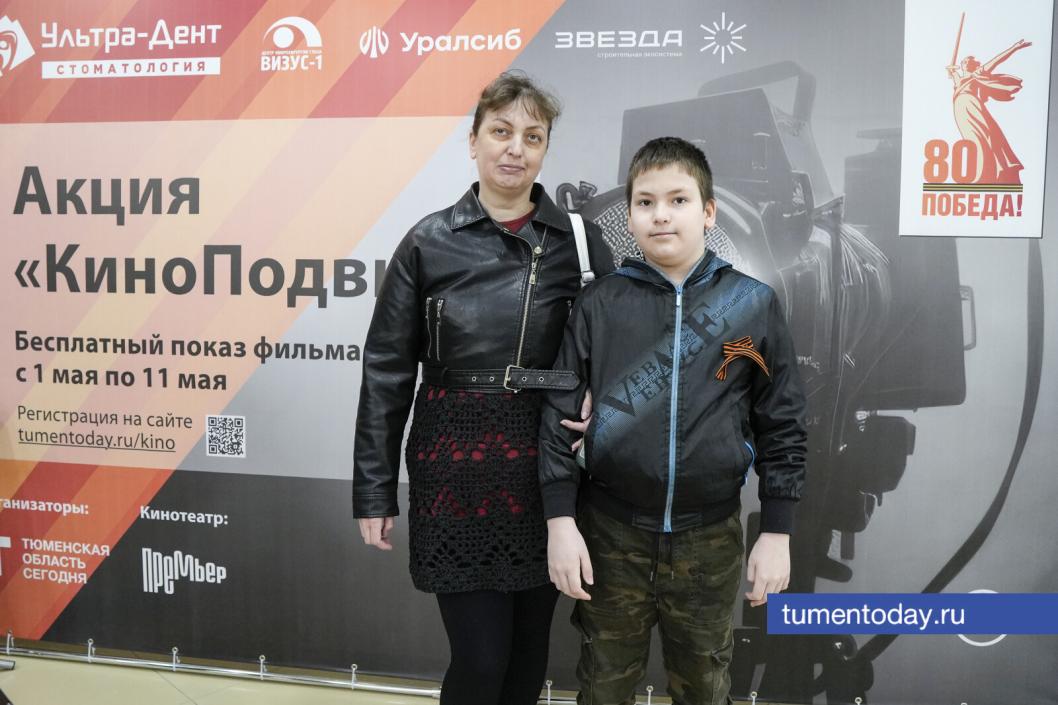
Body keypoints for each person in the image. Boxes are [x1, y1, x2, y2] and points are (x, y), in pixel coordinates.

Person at [352, 71, 614, 705]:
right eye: (500, 131)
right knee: (480, 661)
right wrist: (373, 489)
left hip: (548, 468)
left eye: (533, 136)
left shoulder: (579, 243)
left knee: (527, 660)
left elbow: (621, 346)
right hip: (456, 466)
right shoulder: (429, 241)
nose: (515, 148)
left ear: (545, 149)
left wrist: (601, 404)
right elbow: (387, 370)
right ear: (473, 142)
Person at [539, 137, 807, 705]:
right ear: (629, 216)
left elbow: (781, 423)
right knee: (603, 687)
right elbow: (558, 417)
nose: (660, 214)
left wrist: (777, 531)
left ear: (708, 212)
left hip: (709, 541)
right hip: (610, 535)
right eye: (645, 202)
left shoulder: (752, 303)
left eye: (678, 200)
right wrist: (560, 523)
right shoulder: (599, 304)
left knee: (705, 688)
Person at [947, 39, 1032, 184]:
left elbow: (996, 60)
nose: (965, 62)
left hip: (972, 106)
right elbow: (952, 72)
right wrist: (951, 70)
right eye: (964, 61)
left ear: (973, 65)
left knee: (985, 136)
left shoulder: (977, 73)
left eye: (969, 61)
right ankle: (980, 173)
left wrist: (1014, 48)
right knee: (971, 138)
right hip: (961, 110)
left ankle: (993, 171)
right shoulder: (959, 79)